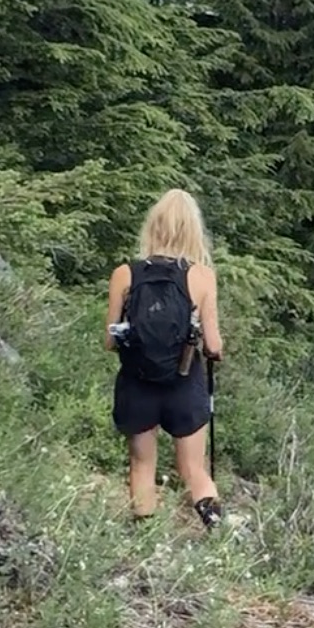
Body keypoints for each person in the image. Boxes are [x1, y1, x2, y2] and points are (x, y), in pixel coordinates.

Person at [106, 188, 227, 532]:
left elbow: (111, 340)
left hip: (136, 382)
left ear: (153, 226)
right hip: (184, 382)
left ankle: (146, 542)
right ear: (193, 230)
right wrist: (211, 349)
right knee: (194, 469)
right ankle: (217, 534)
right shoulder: (202, 276)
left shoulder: (124, 274)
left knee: (142, 464)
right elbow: (214, 344)